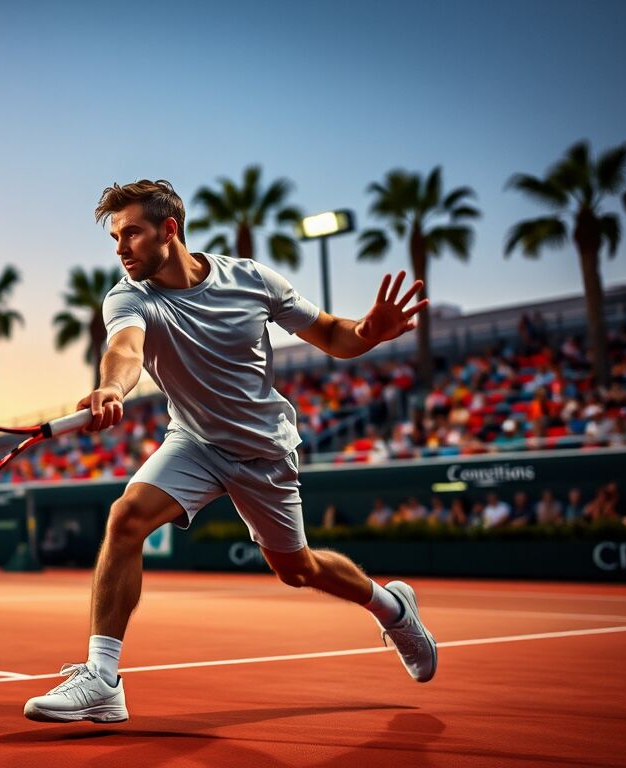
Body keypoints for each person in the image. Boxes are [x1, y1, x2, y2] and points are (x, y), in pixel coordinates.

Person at [24, 180, 437, 724]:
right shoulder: (129, 297)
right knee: (125, 518)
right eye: (115, 238)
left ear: (169, 230)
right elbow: (124, 349)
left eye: (132, 233)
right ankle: (102, 679)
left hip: (263, 452)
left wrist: (368, 331)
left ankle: (391, 607)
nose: (121, 248)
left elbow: (334, 337)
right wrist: (111, 388)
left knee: (297, 569)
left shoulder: (250, 280)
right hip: (194, 442)